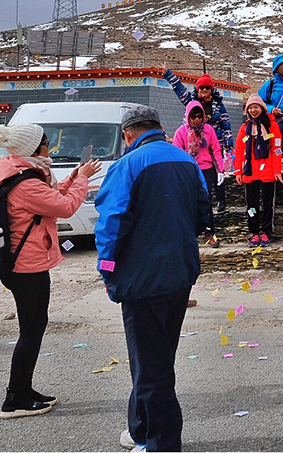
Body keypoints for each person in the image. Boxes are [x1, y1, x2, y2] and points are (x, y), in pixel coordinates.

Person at [95, 105, 210, 453]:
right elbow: (203, 214)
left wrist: (108, 271)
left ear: (128, 134)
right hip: (180, 272)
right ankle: (141, 427)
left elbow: (111, 225)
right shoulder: (187, 162)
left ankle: (161, 443)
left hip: (141, 278)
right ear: (159, 128)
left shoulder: (127, 165)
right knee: (158, 357)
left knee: (149, 364)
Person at [0, 123, 99, 419]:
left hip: (27, 262)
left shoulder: (23, 173)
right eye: (47, 141)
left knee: (35, 326)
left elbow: (50, 199)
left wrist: (74, 177)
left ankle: (24, 390)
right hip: (25, 265)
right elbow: (64, 207)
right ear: (34, 148)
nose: (50, 146)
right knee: (31, 330)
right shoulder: (25, 182)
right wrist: (83, 181)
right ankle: (14, 399)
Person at [161, 67, 235, 210]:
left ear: (212, 89)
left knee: (217, 172)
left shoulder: (219, 105)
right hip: (192, 143)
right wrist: (168, 74)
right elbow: (180, 89)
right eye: (202, 88)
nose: (204, 91)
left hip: (214, 142)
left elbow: (225, 123)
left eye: (207, 88)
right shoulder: (191, 101)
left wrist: (228, 142)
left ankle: (220, 200)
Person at [172, 102, 225, 246]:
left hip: (207, 170)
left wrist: (220, 170)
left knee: (206, 201)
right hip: (189, 170)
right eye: (193, 116)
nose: (196, 119)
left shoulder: (209, 130)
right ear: (188, 117)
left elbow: (215, 150)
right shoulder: (181, 132)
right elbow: (177, 153)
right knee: (188, 202)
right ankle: (189, 232)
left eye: (199, 116)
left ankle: (210, 231)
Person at [234, 94, 283, 244]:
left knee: (268, 204)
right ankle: (254, 231)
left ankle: (267, 232)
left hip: (268, 171)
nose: (253, 110)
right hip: (250, 172)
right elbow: (240, 149)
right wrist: (238, 171)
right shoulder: (245, 128)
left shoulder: (271, 125)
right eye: (250, 108)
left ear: (262, 108)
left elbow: (277, 149)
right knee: (252, 204)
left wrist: (277, 170)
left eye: (256, 107)